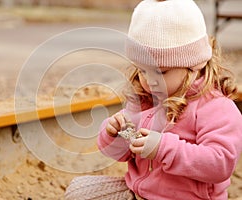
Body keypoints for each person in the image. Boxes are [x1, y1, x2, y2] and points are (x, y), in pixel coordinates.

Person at [65, 0, 242, 199]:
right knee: (78, 192)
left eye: (161, 72)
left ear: (194, 65)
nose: (149, 81)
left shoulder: (216, 108)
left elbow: (220, 164)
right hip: (140, 192)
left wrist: (163, 148)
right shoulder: (145, 100)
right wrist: (113, 133)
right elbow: (121, 154)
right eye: (142, 70)